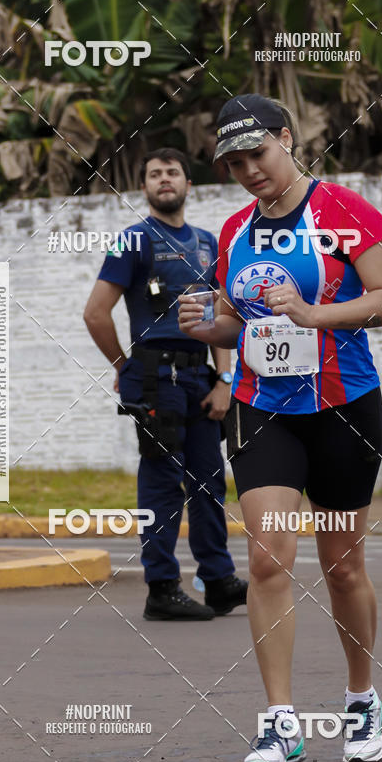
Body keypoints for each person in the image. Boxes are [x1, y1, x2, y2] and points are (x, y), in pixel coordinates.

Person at [178, 94, 382, 762]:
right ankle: (280, 722)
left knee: (342, 565)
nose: (248, 171)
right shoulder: (236, 229)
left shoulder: (344, 212)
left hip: (341, 406)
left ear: (287, 137)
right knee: (270, 559)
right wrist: (205, 325)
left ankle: (361, 699)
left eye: (258, 155)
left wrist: (312, 314)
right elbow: (231, 320)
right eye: (235, 162)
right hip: (262, 406)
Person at [84, 147, 247, 621]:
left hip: (201, 374)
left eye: (172, 172)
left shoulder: (208, 243)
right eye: (154, 174)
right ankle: (162, 587)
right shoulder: (131, 241)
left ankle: (218, 581)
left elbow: (222, 313)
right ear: (145, 188)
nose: (164, 180)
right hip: (155, 378)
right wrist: (123, 365)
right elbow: (95, 312)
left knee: (209, 479)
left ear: (187, 183)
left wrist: (224, 378)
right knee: (162, 482)